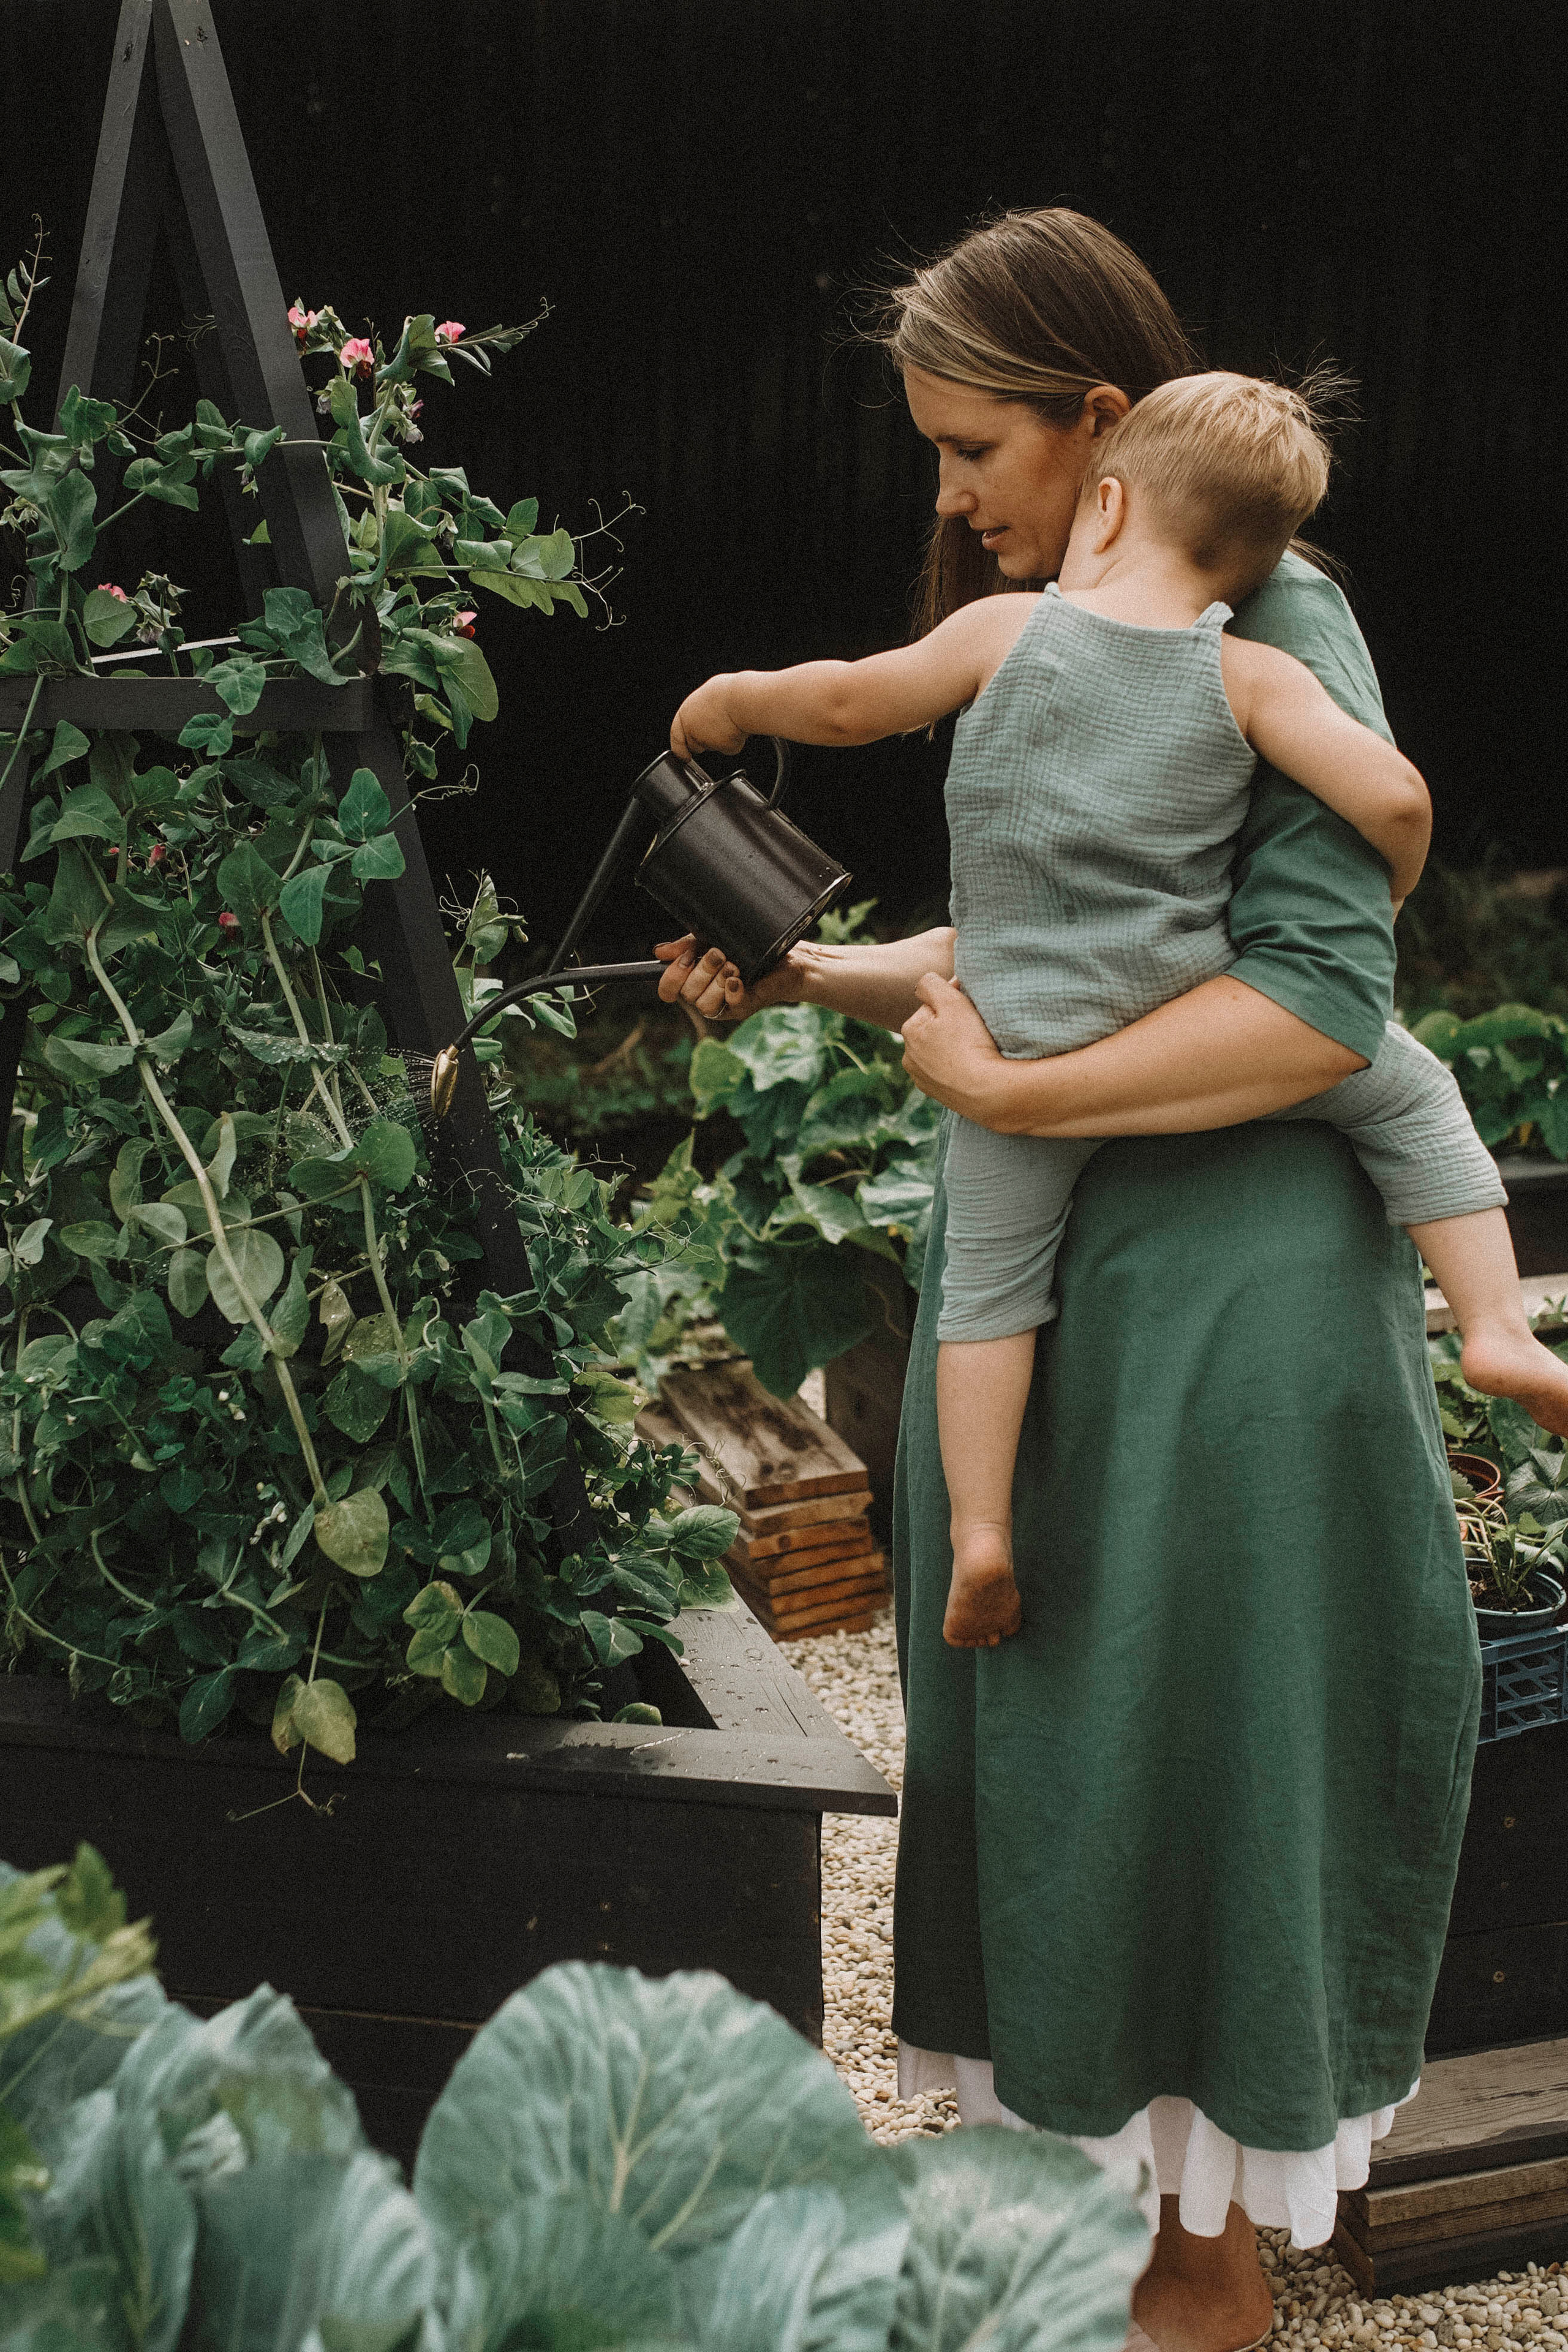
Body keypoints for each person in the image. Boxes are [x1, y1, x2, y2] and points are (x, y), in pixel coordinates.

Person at [657, 206, 1497, 2352]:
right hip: (1078, 1306)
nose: (947, 500)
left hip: (1217, 1323)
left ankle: (1191, 2284)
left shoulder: (1269, 621)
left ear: (1101, 428)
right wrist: (804, 973)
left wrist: (1015, 1104)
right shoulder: (1072, 637)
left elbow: (1316, 1005)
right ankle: (1101, 2261)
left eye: (971, 450)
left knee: (1173, 1819)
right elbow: (1054, 959)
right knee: (1066, 1803)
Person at [667, 367, 1568, 1649]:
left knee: (987, 1290)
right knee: (1412, 1090)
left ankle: (982, 1537)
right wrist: (1395, 883)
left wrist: (730, 700)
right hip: (1175, 1009)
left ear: (1104, 503)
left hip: (1013, 1020)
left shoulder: (1004, 633)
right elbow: (1398, 802)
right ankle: (1497, 1327)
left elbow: (852, 700)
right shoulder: (1250, 675)